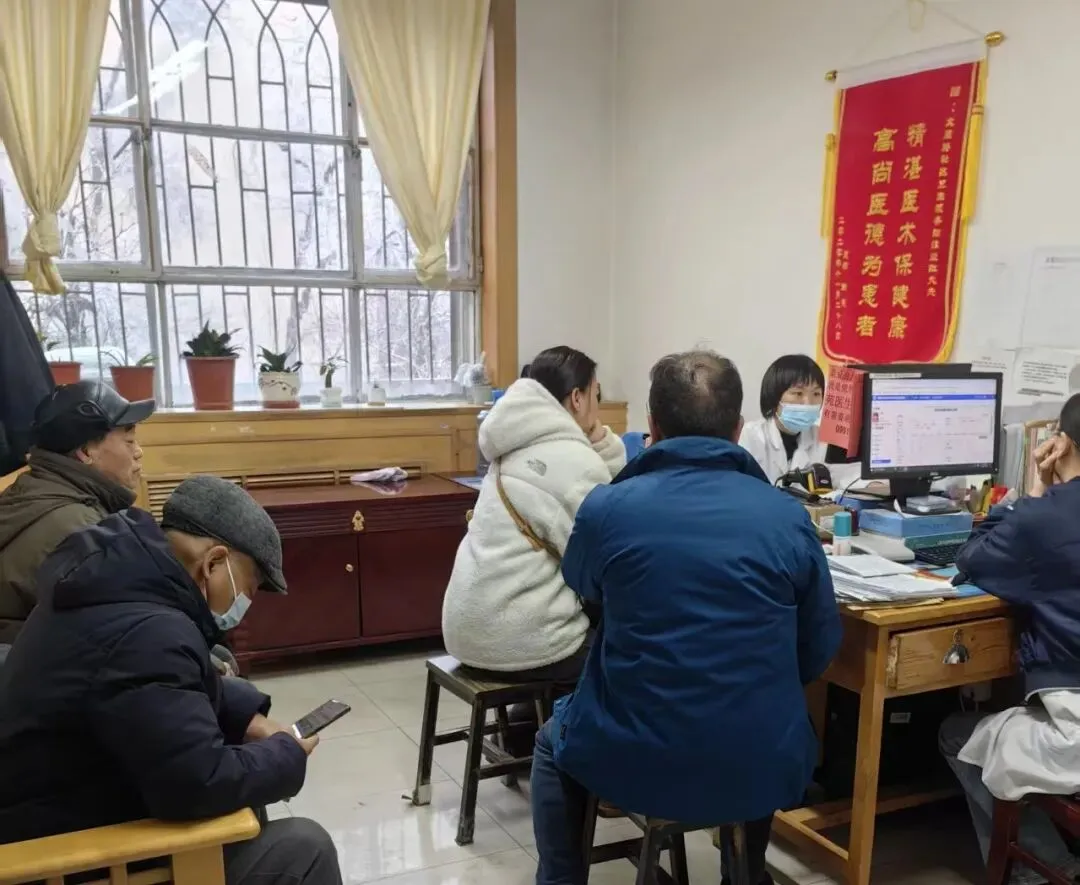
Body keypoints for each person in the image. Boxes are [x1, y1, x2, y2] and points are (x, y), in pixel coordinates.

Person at [531, 350, 841, 885]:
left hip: (633, 757)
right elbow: (817, 648)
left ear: (652, 427)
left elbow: (585, 589)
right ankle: (745, 874)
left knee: (550, 740)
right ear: (738, 428)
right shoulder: (788, 517)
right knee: (761, 723)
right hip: (759, 760)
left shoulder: (608, 508)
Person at [0, 474, 340, 885]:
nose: (244, 604)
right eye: (248, 589)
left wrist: (247, 719)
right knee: (304, 849)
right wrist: (286, 754)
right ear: (213, 563)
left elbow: (159, 687)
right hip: (65, 858)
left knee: (249, 790)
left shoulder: (112, 581)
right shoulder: (151, 631)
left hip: (57, 808)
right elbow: (198, 783)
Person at [939, 397, 1080, 885]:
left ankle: (1044, 872)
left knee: (958, 734)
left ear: (1060, 443)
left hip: (1075, 726)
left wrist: (1035, 490)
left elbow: (972, 558)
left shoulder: (1045, 518)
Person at [442, 346, 625, 687]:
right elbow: (598, 558)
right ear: (577, 398)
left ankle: (527, 718)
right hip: (519, 641)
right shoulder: (573, 459)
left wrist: (599, 441)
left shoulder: (514, 442)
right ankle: (547, 721)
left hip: (465, 630)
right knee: (623, 655)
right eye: (595, 394)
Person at [0, 381, 154, 661]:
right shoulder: (83, 531)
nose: (138, 451)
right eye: (129, 441)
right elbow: (122, 634)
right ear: (86, 452)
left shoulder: (28, 492)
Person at [739, 354, 827, 484]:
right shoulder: (750, 435)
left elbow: (841, 480)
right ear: (775, 396)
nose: (808, 403)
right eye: (798, 393)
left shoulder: (823, 439)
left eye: (816, 394)